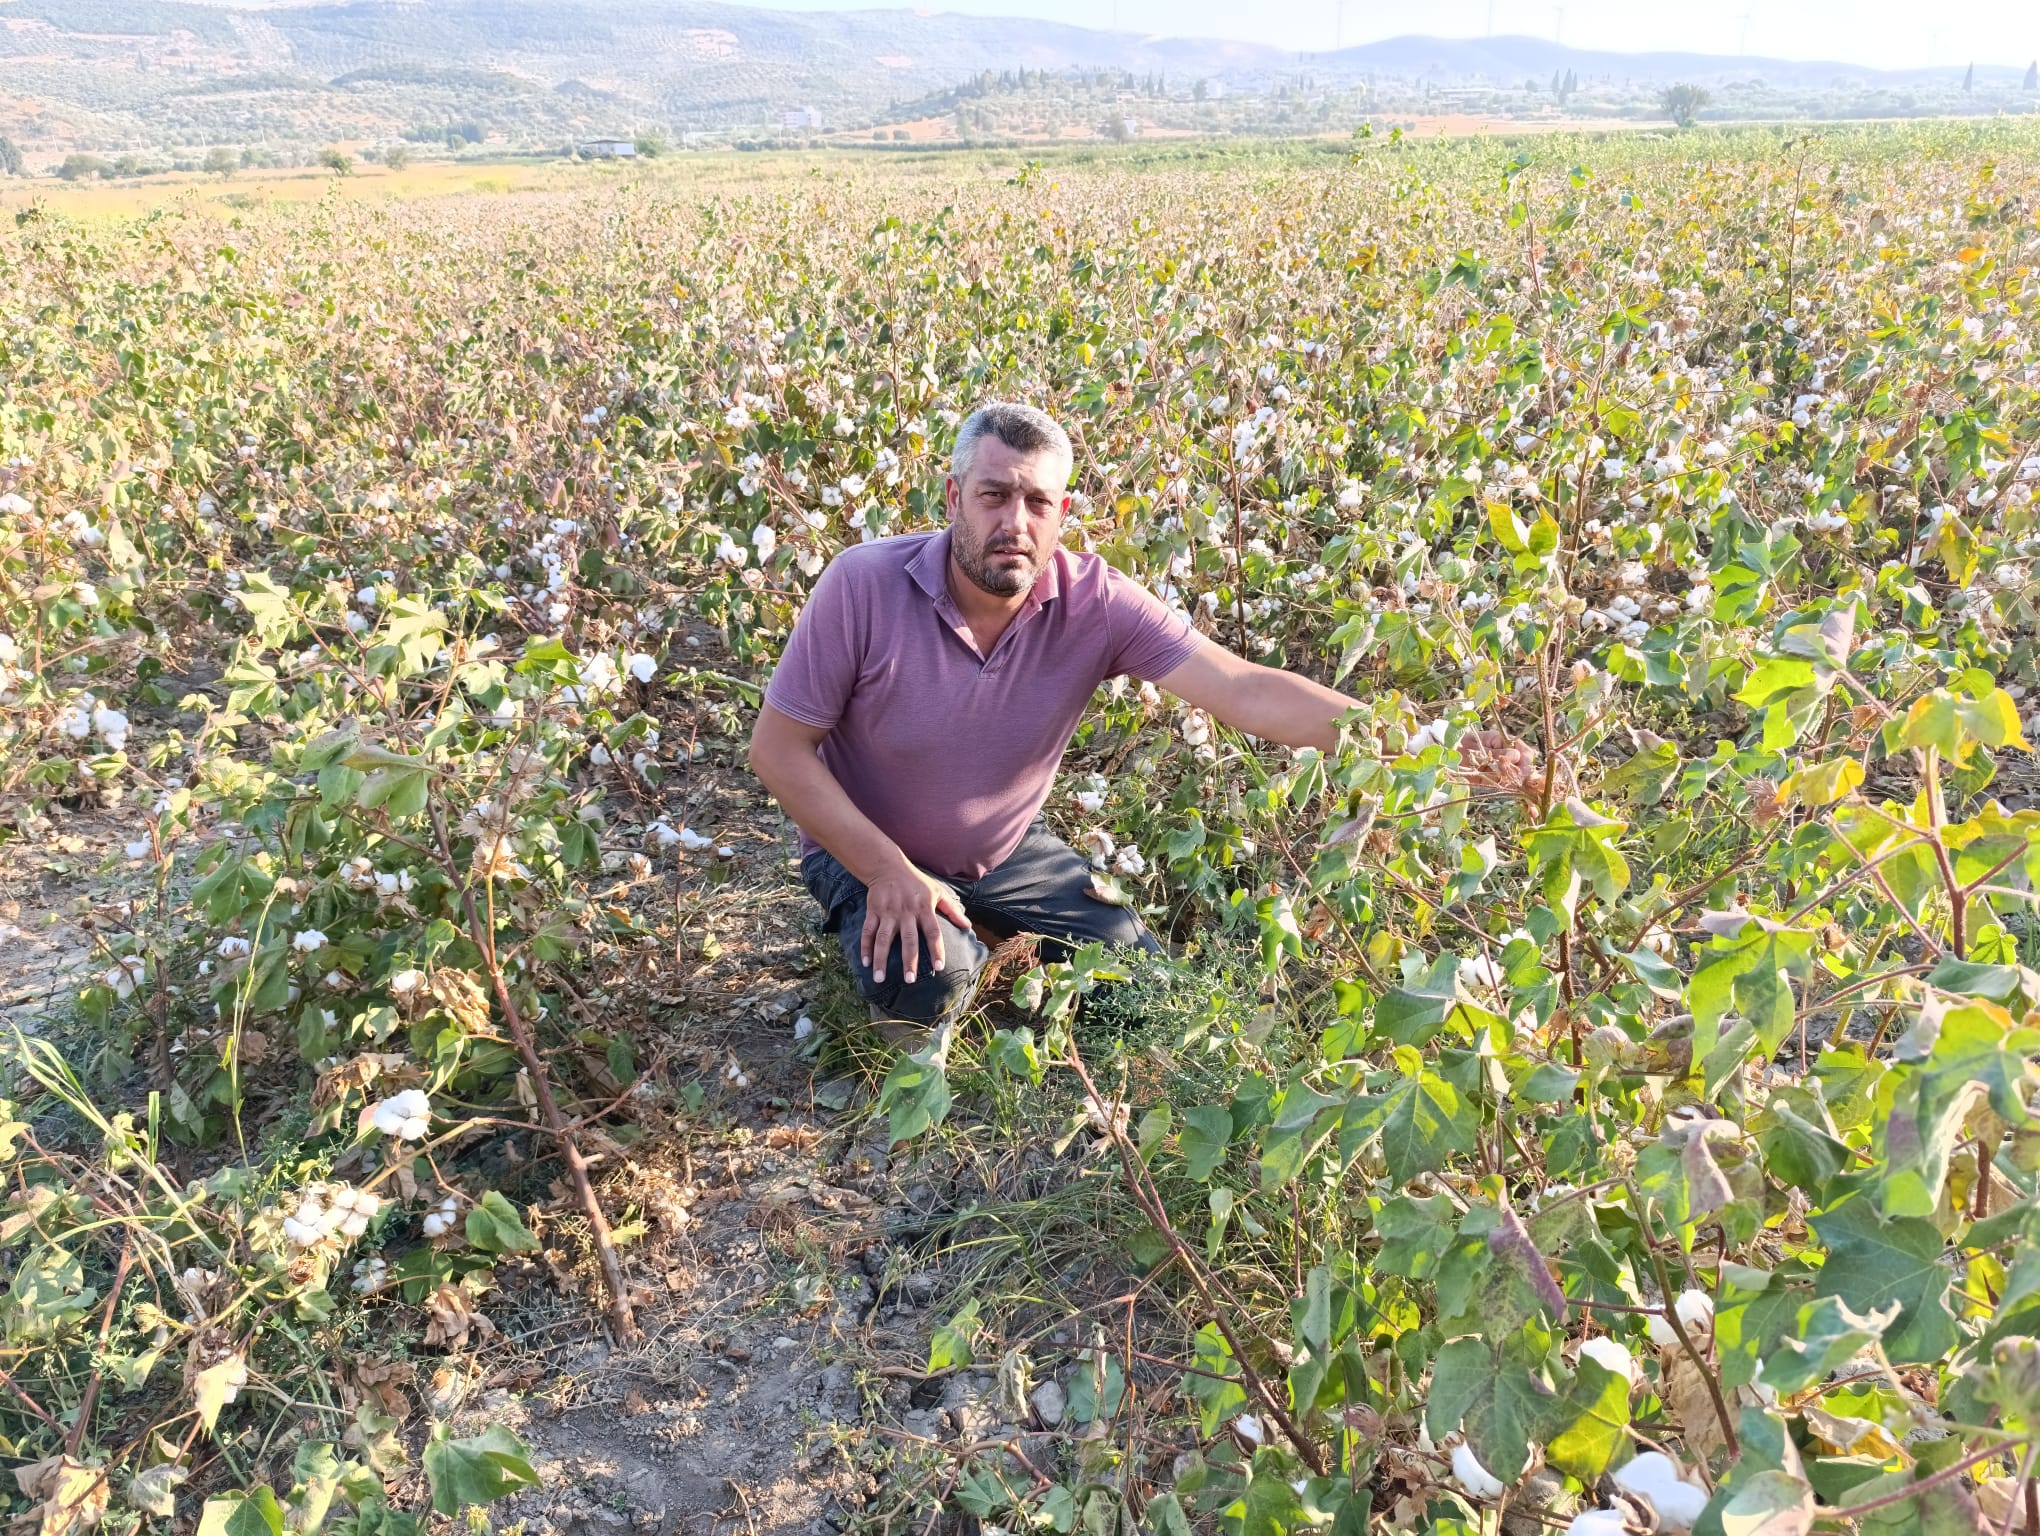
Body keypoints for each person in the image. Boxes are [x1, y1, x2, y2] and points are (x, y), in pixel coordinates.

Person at [748, 402, 1359, 1031]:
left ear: (1062, 514)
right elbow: (777, 751)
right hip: (860, 847)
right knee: (939, 985)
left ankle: (982, 929)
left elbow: (1248, 689)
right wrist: (886, 870)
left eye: (1038, 502)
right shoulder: (862, 586)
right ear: (954, 496)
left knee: (1146, 994)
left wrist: (1407, 740)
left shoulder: (1096, 602)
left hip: (1004, 852)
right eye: (994, 495)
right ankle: (910, 962)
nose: (1015, 522)